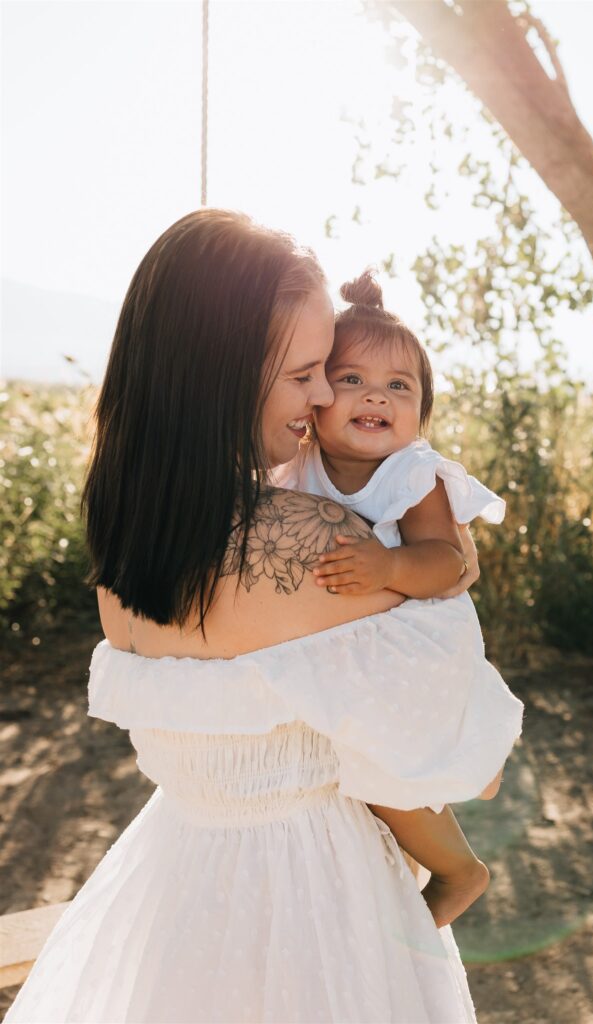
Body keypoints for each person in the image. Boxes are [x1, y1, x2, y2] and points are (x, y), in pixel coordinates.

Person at [4, 208, 523, 1024]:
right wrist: (451, 560)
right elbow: (468, 753)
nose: (323, 396)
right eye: (306, 373)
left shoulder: (124, 560)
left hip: (174, 895)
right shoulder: (322, 547)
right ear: (226, 374)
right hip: (318, 909)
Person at [271, 268, 508, 924]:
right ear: (314, 395)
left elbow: (446, 561)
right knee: (358, 756)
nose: (375, 397)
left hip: (417, 635)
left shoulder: (412, 474)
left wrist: (387, 566)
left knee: (378, 760)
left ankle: (458, 869)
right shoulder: (295, 463)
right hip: (356, 637)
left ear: (419, 414)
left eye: (397, 387)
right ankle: (445, 781)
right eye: (351, 379)